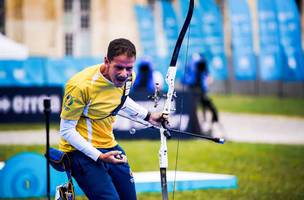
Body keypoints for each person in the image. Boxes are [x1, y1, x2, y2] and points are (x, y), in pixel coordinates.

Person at [58, 38, 164, 200]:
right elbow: (66, 131)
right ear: (106, 61)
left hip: (110, 146)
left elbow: (120, 99)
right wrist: (98, 156)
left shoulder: (130, 77)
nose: (124, 74)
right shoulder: (80, 86)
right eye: (119, 67)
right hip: (80, 151)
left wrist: (149, 116)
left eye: (129, 68)